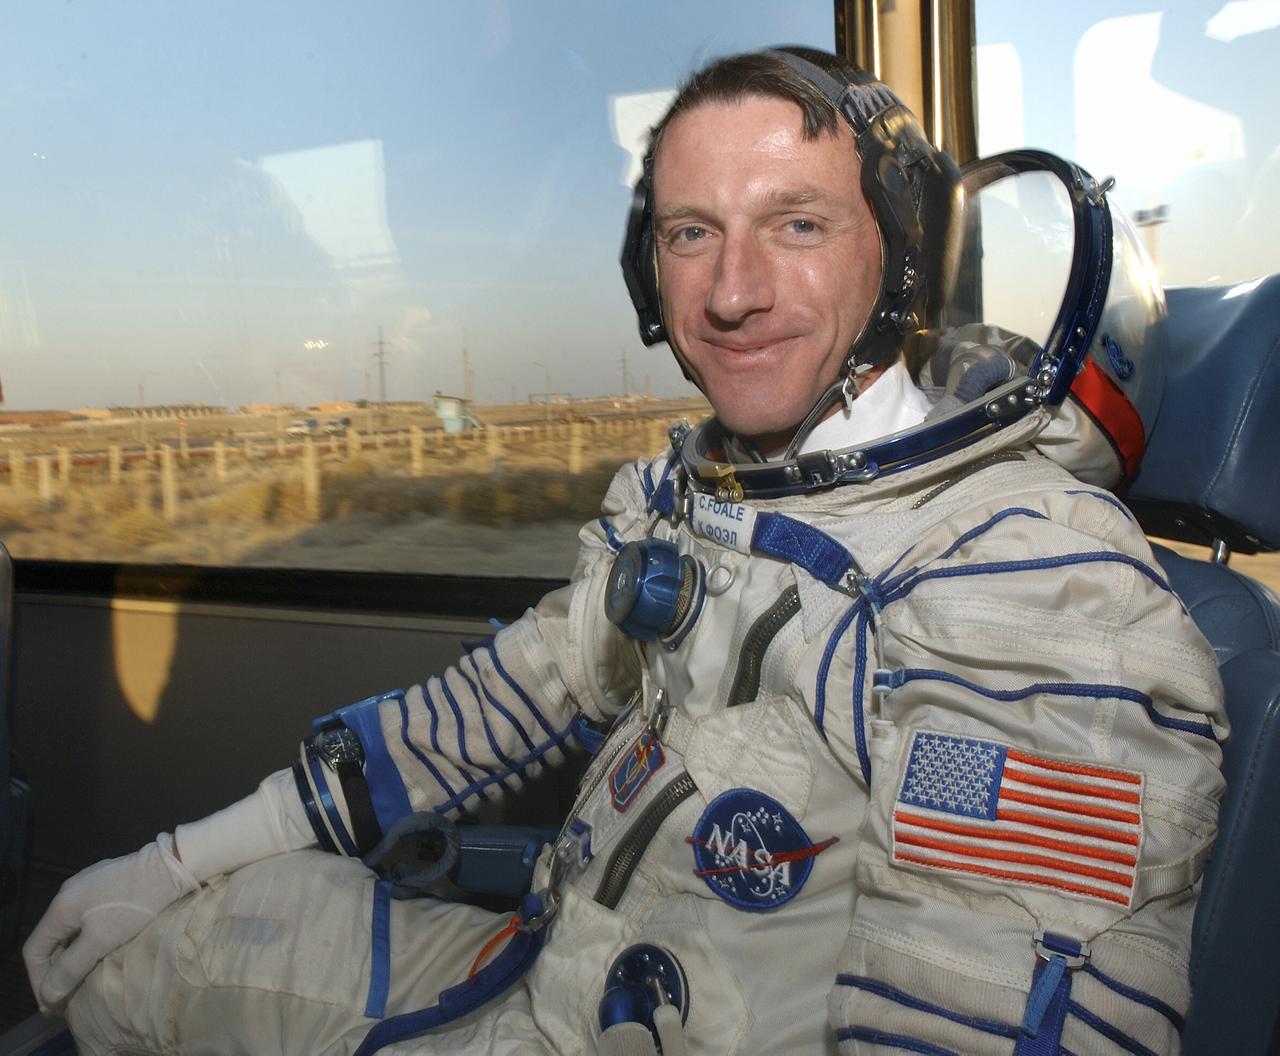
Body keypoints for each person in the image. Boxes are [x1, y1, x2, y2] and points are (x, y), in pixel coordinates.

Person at [26, 47, 1226, 1055]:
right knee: (156, 945)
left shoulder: (1023, 585)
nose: (731, 291)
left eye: (796, 224)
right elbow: (500, 701)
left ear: (900, 254)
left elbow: (979, 1009)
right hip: (548, 975)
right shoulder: (688, 499)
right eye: (692, 233)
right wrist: (175, 862)